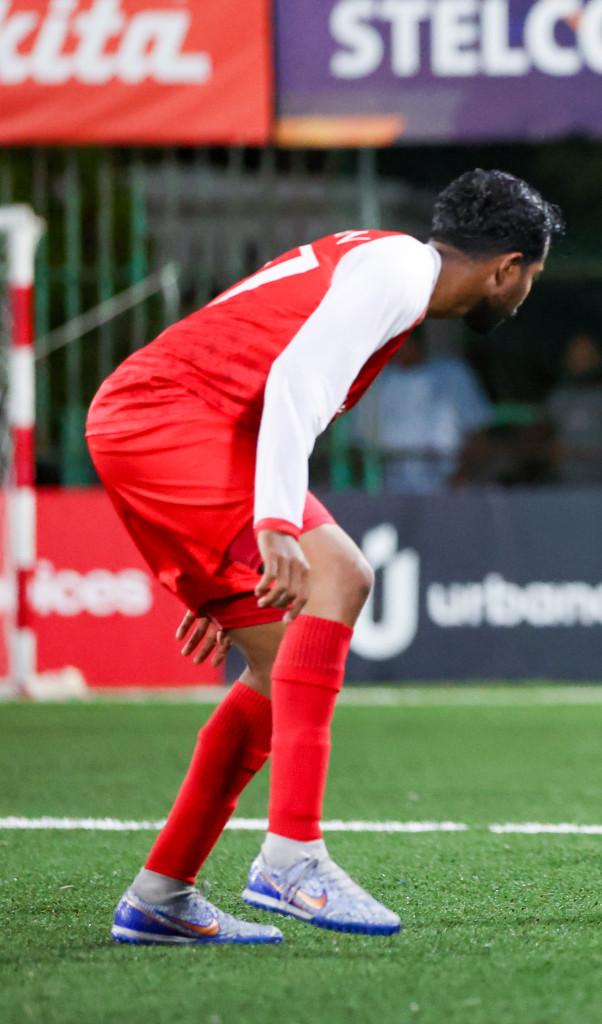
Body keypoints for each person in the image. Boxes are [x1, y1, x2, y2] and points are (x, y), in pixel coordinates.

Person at [86, 169, 562, 944]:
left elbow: (267, 371)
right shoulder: (405, 270)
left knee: (297, 637)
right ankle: (291, 857)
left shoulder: (387, 264)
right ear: (507, 267)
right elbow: (294, 381)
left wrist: (228, 582)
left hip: (184, 424)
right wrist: (270, 522)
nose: (523, 296)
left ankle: (161, 895)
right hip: (172, 422)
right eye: (531, 278)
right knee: (334, 585)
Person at [350, 329, 495, 494]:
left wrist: (463, 474)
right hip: (389, 481)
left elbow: (478, 431)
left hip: (446, 479)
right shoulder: (375, 381)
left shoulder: (452, 373)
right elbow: (357, 442)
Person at [546, 333, 602, 483]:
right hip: (566, 484)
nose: (581, 362)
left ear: (598, 358)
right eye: (576, 357)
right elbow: (552, 443)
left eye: (587, 357)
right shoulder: (558, 398)